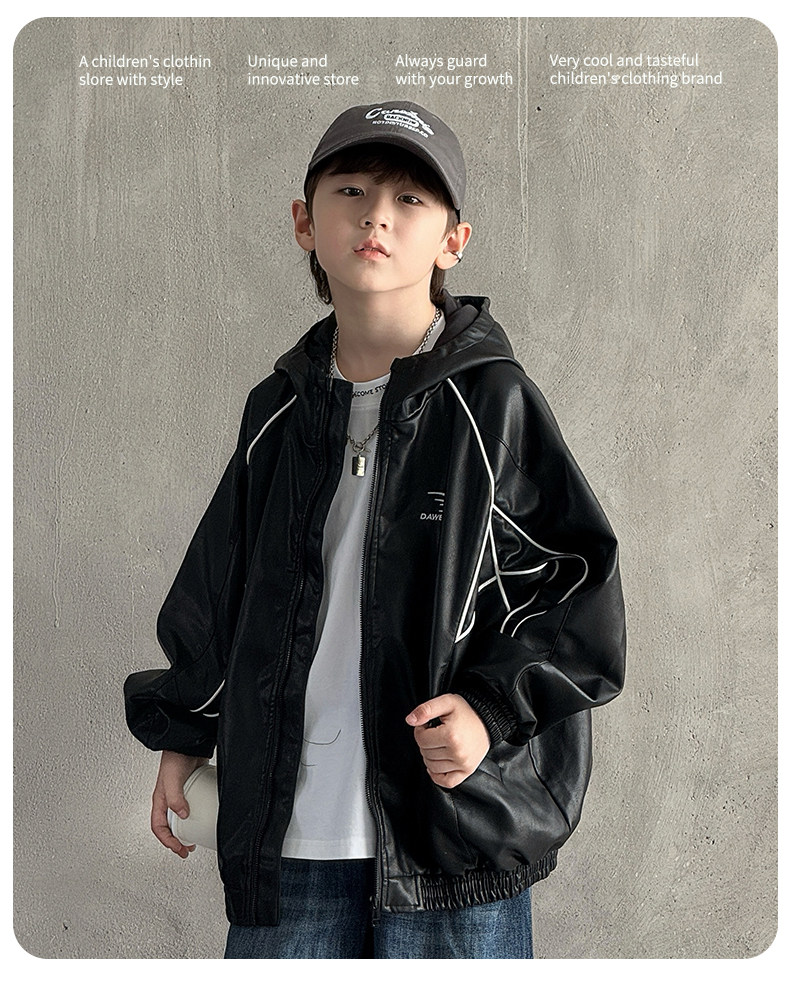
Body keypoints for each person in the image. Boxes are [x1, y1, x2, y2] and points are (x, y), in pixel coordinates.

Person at [124, 101, 626, 959]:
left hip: (451, 835)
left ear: (453, 241)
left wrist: (489, 709)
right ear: (304, 222)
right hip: (290, 836)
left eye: (410, 199)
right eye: (351, 190)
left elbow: (577, 589)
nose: (376, 216)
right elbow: (220, 585)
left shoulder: (492, 402)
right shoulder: (278, 412)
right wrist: (183, 729)